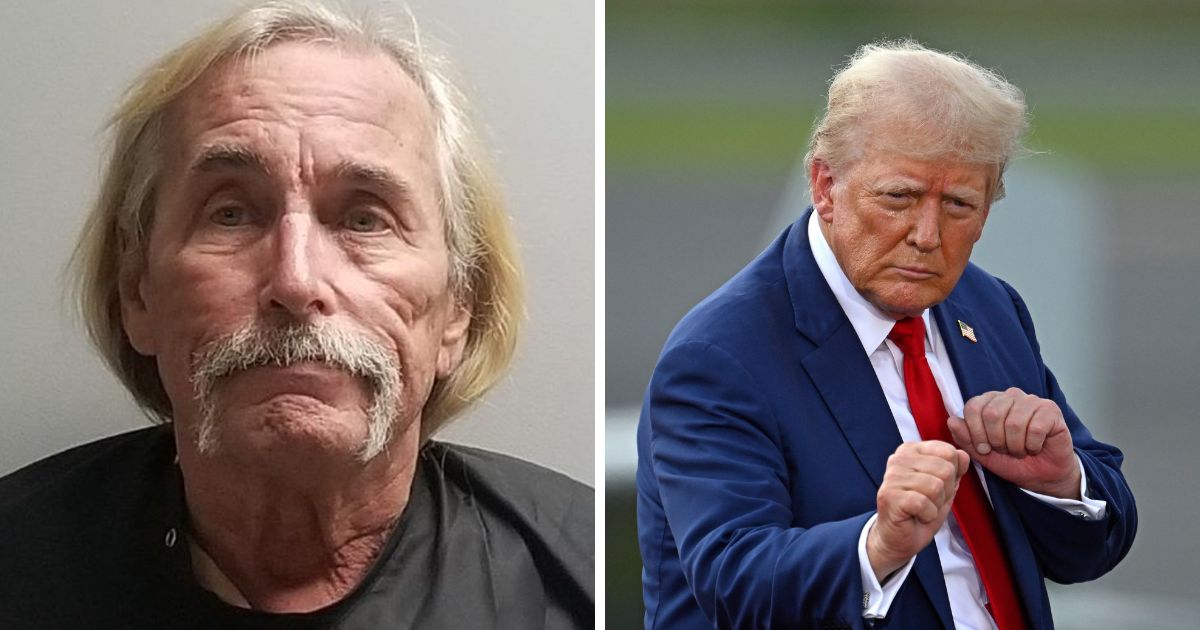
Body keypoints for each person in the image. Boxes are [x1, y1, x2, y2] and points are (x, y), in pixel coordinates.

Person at [0, 2, 592, 628]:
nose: (295, 279)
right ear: (137, 291)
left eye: (366, 219)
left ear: (459, 307)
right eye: (230, 213)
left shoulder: (586, 576)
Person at [636, 40, 1136, 629]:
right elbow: (732, 583)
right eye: (898, 197)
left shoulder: (989, 305)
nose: (927, 234)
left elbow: (1096, 545)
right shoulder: (720, 354)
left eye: (958, 204)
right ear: (826, 187)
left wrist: (1059, 480)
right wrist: (879, 546)